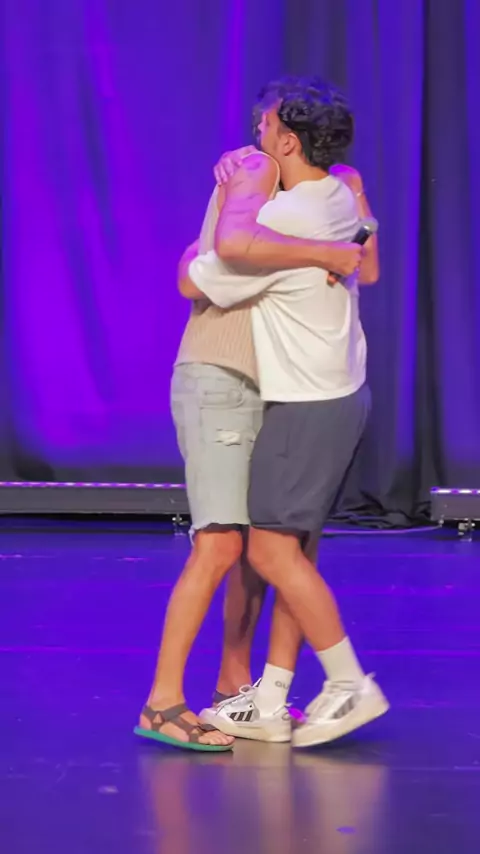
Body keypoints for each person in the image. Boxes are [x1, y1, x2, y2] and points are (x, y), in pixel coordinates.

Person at [134, 77, 367, 752]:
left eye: (264, 127)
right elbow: (195, 275)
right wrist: (325, 250)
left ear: (290, 137)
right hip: (221, 374)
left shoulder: (305, 195)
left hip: (272, 384)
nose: (254, 139)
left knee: (265, 548)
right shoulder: (257, 178)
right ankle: (163, 701)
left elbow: (356, 253)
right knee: (223, 544)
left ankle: (240, 686)